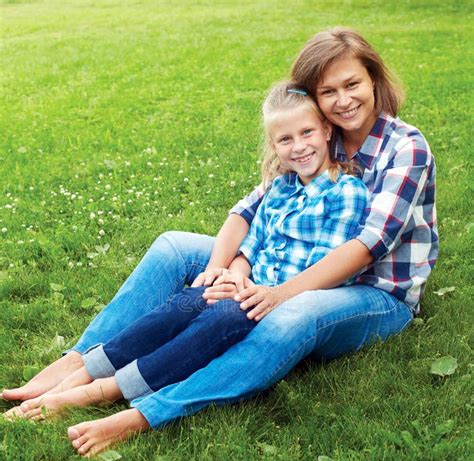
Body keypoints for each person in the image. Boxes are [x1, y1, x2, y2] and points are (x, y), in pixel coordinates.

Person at [2, 27, 437, 457]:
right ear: (314, 102)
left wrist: (273, 294)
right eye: (329, 91)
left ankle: (145, 411)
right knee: (175, 247)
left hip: (372, 291)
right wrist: (224, 270)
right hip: (278, 266)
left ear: (374, 80)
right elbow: (248, 212)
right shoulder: (317, 133)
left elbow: (366, 247)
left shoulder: (405, 148)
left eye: (353, 85)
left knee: (291, 315)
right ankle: (78, 363)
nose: (344, 101)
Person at [5, 82, 369, 431]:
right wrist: (235, 275)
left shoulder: (345, 192)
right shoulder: (279, 188)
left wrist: (247, 291)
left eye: (306, 133)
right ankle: (83, 370)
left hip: (277, 302)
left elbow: (322, 268)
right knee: (181, 306)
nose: (298, 147)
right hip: (246, 290)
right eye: (285, 139)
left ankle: (103, 390)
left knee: (218, 320)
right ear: (274, 146)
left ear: (325, 130)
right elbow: (252, 245)